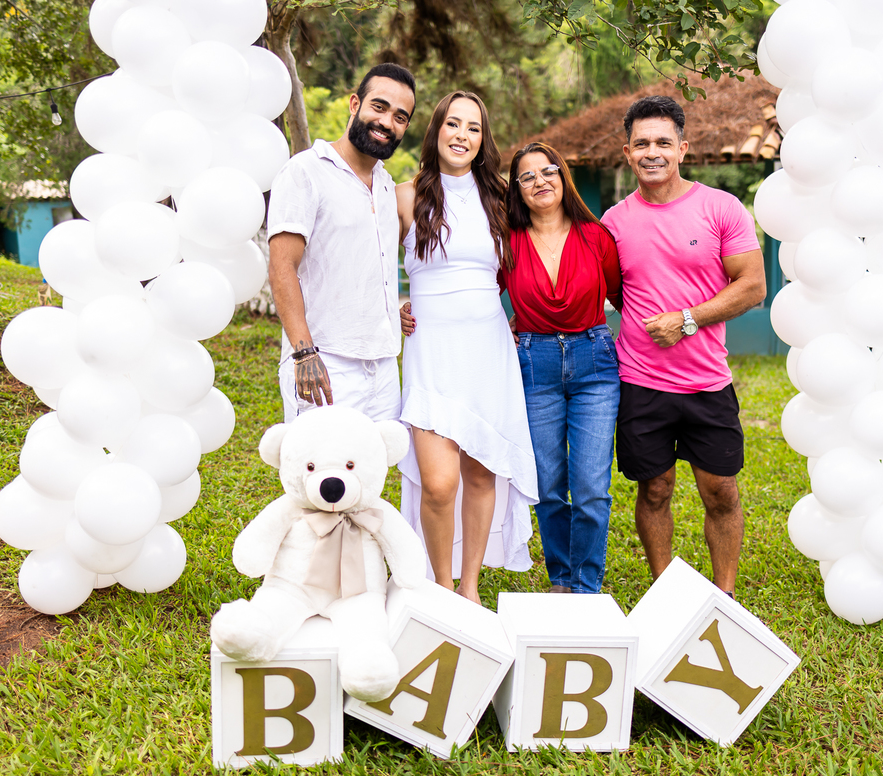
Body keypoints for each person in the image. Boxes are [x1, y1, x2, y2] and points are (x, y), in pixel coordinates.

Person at [600, 96, 766, 596]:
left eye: (663, 143)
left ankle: (725, 596)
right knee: (654, 489)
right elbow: (613, 292)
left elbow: (752, 286)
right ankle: (665, 592)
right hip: (640, 382)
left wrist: (688, 319)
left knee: (721, 491)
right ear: (627, 152)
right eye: (641, 144)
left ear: (682, 149)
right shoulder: (613, 222)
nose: (652, 152)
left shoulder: (721, 208)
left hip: (707, 381)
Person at [396, 91, 538, 605]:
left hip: (487, 349)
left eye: (473, 128)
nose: (462, 135)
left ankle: (470, 588)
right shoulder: (403, 195)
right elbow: (369, 266)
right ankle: (440, 585)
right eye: (453, 124)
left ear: (483, 139)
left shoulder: (500, 197)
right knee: (439, 482)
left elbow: (536, 252)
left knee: (482, 472)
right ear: (435, 130)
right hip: (432, 350)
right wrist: (396, 304)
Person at [500, 142, 622, 595]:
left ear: (563, 176)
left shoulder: (596, 237)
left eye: (548, 170)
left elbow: (623, 297)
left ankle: (586, 586)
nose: (540, 181)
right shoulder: (506, 242)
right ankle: (561, 579)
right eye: (527, 176)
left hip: (594, 363)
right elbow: (476, 294)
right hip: (536, 365)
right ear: (517, 189)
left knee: (590, 486)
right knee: (548, 484)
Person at [265, 63, 416, 422]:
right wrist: (304, 353)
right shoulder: (306, 171)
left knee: (378, 460)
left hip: (383, 367)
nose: (387, 122)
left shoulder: (385, 185)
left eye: (400, 117)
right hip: (324, 362)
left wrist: (389, 313)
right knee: (321, 459)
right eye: (379, 107)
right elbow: (282, 266)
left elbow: (368, 263)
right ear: (354, 104)